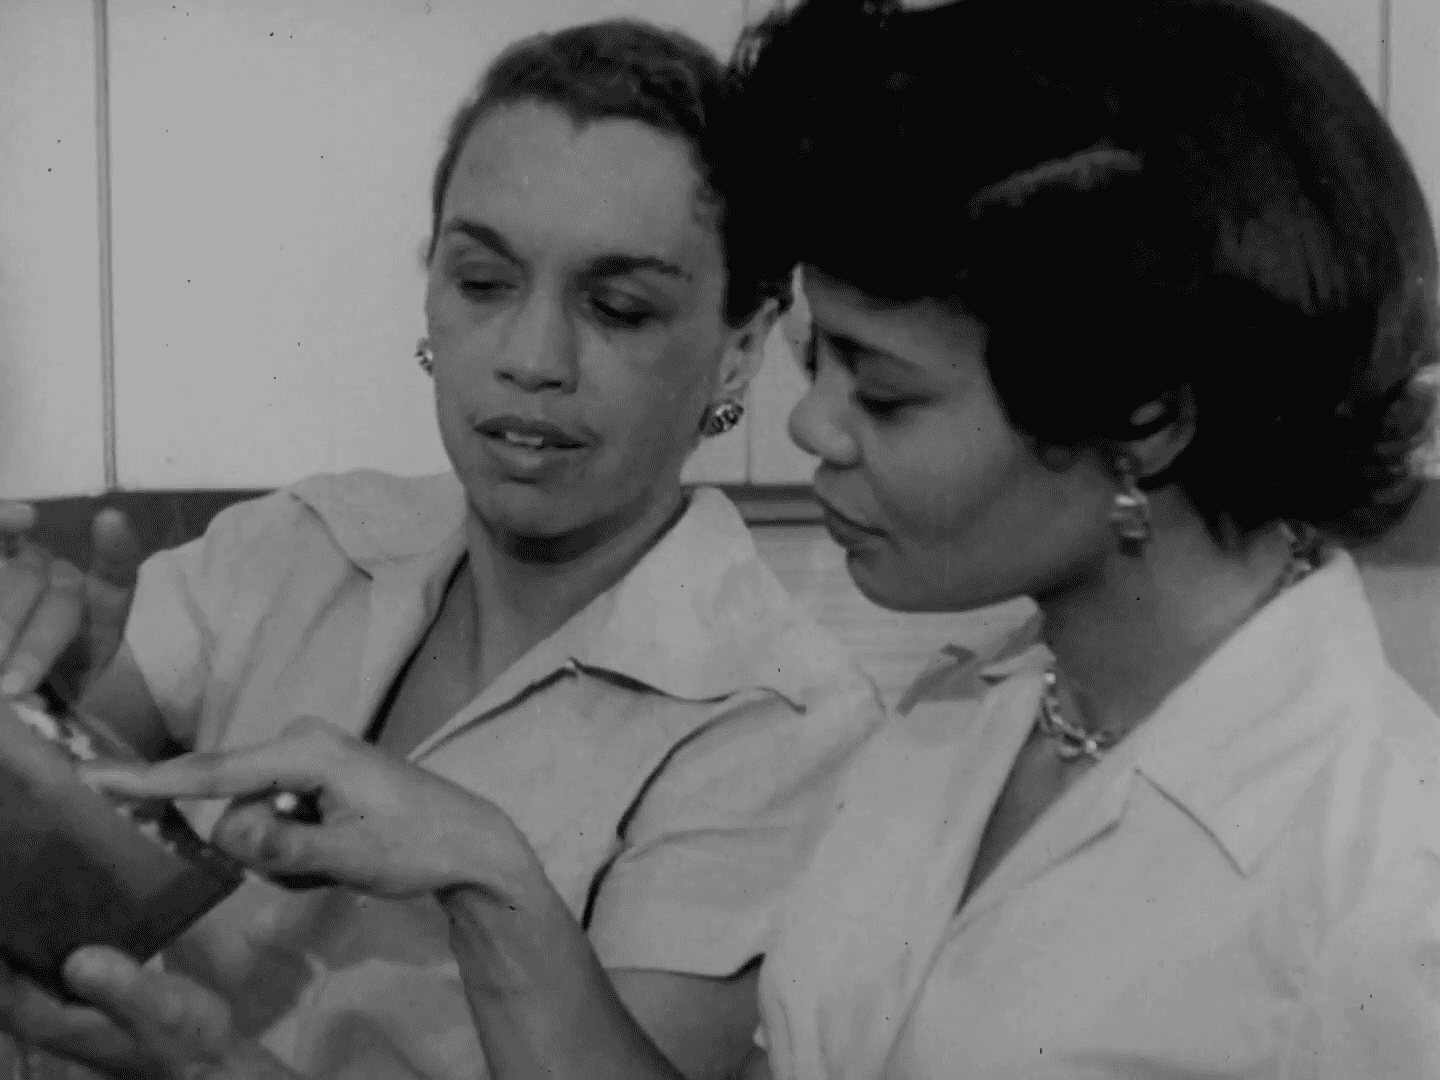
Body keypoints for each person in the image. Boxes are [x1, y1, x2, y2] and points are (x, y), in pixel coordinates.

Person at [13, 0, 1440, 1076]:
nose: (814, 427)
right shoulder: (966, 722)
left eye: (882, 390)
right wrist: (488, 874)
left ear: (1146, 419)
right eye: (482, 279)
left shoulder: (1388, 899)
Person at [0, 18, 884, 1080]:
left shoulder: (785, 728)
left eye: (618, 308)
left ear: (740, 349)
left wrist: (486, 880)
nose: (533, 357)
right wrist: (34, 717)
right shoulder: (298, 543)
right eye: (483, 282)